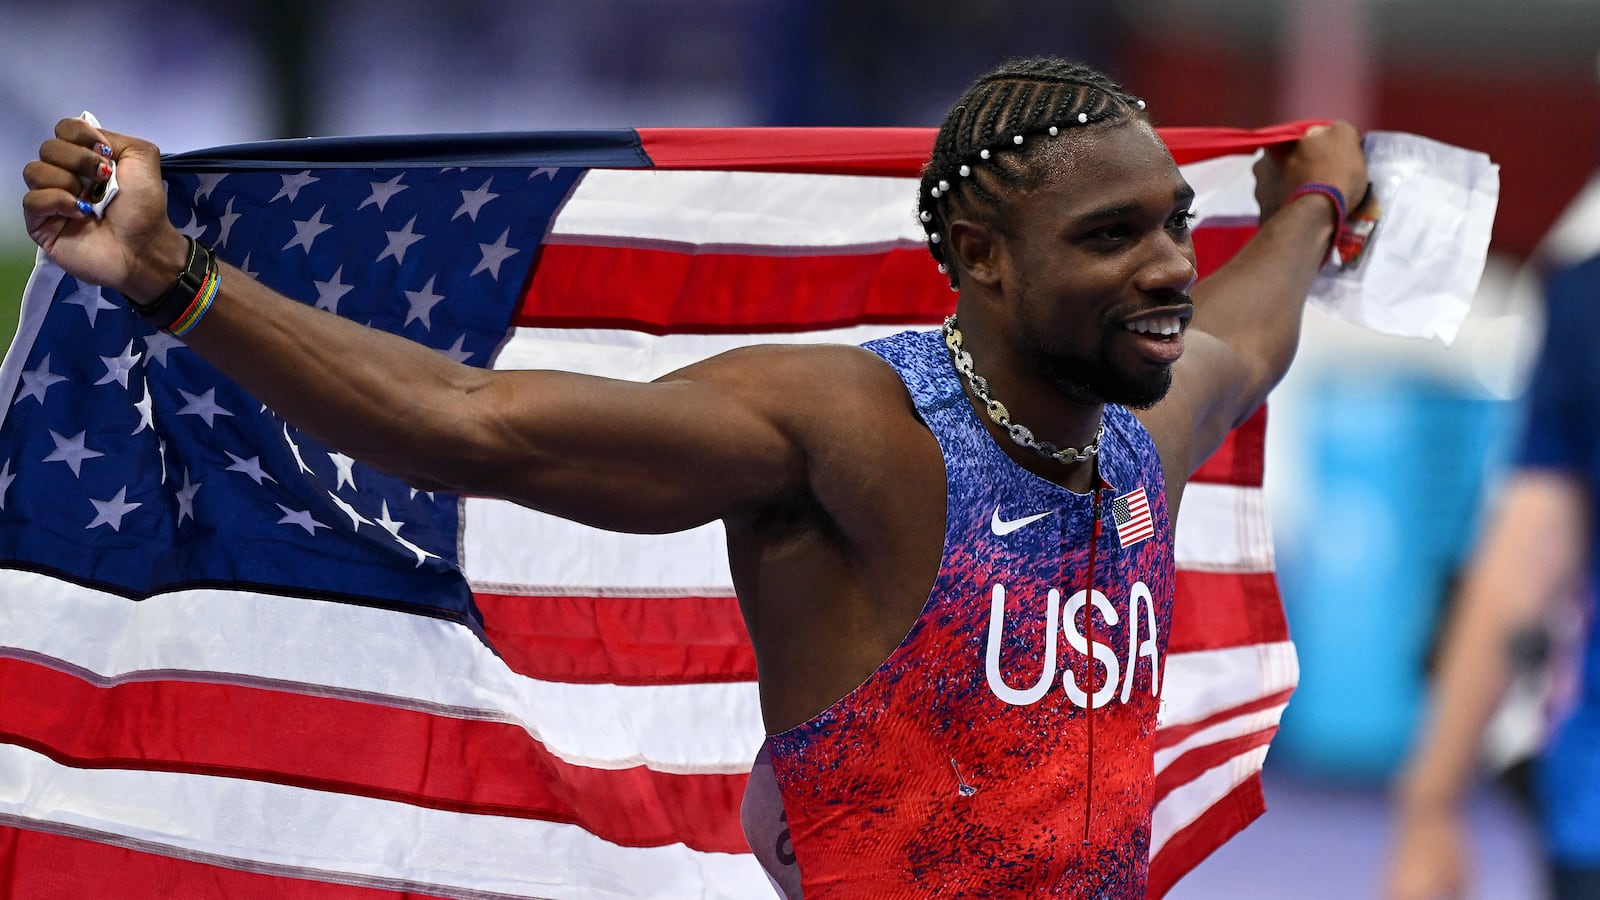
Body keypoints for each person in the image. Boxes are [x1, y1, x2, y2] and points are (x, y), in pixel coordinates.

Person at [22, 57, 1366, 897]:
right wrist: (167, 275)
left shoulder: (1144, 428)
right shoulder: (851, 429)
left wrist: (1310, 199)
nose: (1173, 267)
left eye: (1178, 226)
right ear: (982, 255)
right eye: (1115, 234)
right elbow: (471, 421)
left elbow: (1250, 334)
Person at [1386, 251, 1600, 900]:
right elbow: (1526, 559)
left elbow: (1528, 555)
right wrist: (1430, 804)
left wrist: (1432, 805)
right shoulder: (1586, 302)